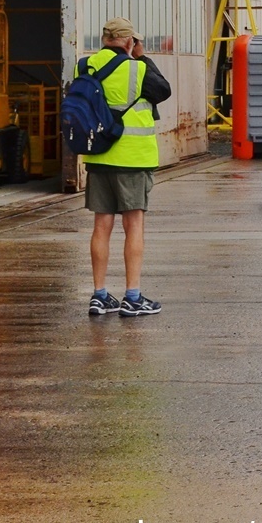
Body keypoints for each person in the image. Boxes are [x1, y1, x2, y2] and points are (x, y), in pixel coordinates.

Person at [82, 17, 171, 316]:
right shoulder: (137, 67)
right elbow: (163, 90)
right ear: (129, 41)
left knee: (101, 225)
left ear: (104, 38)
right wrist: (141, 55)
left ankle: (99, 295)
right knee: (133, 225)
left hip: (97, 155)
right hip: (132, 157)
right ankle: (132, 296)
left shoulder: (84, 66)